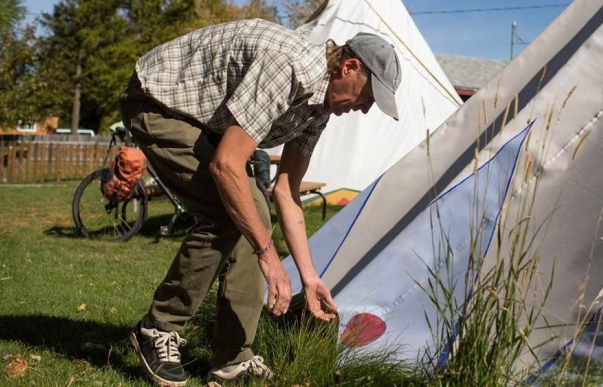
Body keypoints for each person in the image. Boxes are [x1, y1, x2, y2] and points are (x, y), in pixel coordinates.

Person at [120, 19, 401, 386]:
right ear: (349, 67)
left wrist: (309, 277)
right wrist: (268, 256)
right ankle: (157, 328)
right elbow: (226, 165)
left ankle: (232, 360)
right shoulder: (289, 68)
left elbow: (287, 190)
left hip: (203, 123)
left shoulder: (319, 109)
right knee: (227, 214)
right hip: (157, 101)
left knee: (253, 215)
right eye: (368, 96)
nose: (365, 109)